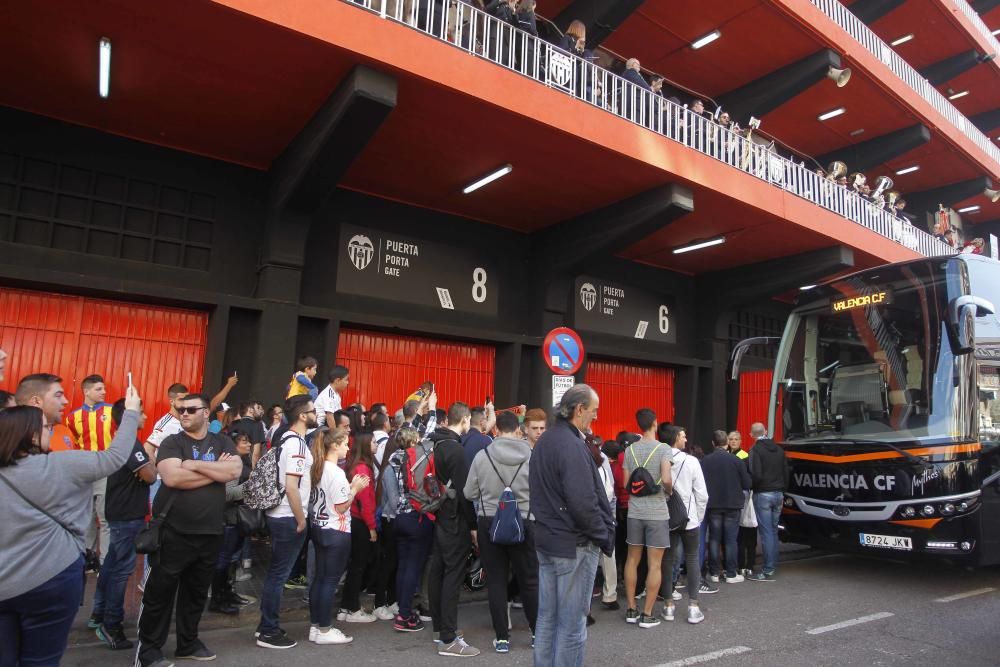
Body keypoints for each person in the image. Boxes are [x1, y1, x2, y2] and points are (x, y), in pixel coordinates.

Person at [0, 387, 141, 666]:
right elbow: (114, 457)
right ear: (30, 435)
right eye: (44, 428)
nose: (50, 431)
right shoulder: (62, 464)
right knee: (41, 660)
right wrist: (132, 413)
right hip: (51, 580)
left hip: (4, 586)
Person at [135, 393, 242, 666]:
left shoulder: (222, 440)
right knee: (160, 594)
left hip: (209, 532)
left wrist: (193, 465)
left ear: (206, 413)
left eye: (191, 409)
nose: (183, 413)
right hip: (173, 531)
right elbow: (172, 477)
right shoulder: (172, 441)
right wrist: (214, 470)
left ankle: (188, 642)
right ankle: (149, 650)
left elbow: (234, 472)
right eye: (180, 409)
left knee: (195, 593)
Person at [530, 384, 614, 667]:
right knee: (572, 625)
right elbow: (583, 502)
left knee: (547, 619)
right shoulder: (571, 445)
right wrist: (602, 535)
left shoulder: (545, 441)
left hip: (548, 539)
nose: (595, 417)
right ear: (579, 410)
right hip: (573, 544)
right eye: (593, 411)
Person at [463, 410, 536, 653]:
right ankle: (537, 633)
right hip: (524, 521)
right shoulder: (532, 456)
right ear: (519, 430)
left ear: (496, 430)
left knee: (496, 581)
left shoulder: (482, 456)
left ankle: (502, 639)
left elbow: (469, 493)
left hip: (489, 521)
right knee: (529, 580)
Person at [91, 398, 154, 649]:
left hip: (121, 514)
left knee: (112, 566)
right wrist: (151, 463)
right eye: (141, 413)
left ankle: (99, 614)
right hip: (126, 516)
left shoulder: (123, 441)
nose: (145, 417)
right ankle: (112, 624)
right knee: (121, 571)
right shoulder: (130, 443)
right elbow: (149, 475)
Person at [257, 394, 316, 649]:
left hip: (281, 514)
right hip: (288, 516)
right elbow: (292, 486)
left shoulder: (288, 440)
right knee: (278, 575)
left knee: (276, 574)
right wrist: (301, 519)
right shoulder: (297, 445)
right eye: (313, 410)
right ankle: (269, 630)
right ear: (303, 416)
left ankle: (265, 626)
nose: (317, 414)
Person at [427, 402, 480, 656]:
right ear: (466, 420)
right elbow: (466, 494)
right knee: (453, 576)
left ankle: (440, 630)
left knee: (438, 571)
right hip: (454, 519)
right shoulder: (456, 450)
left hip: (437, 515)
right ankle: (449, 638)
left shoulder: (435, 443)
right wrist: (473, 526)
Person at [308, 427, 369, 645]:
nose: (347, 448)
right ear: (333, 445)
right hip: (336, 530)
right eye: (344, 444)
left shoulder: (319, 467)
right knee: (329, 581)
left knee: (320, 579)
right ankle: (324, 629)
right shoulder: (334, 471)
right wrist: (355, 488)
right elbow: (342, 507)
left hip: (320, 526)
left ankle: (316, 626)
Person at [622, 408, 672, 629]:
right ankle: (647, 614)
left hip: (635, 512)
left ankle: (631, 608)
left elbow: (626, 484)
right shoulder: (663, 449)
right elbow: (667, 479)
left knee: (632, 560)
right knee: (655, 564)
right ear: (655, 422)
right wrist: (667, 490)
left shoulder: (630, 450)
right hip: (657, 512)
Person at [660, 425, 708, 625]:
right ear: (675, 438)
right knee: (692, 558)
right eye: (683, 436)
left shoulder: (659, 459)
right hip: (689, 519)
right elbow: (702, 494)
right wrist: (697, 516)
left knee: (667, 559)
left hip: (666, 517)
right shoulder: (692, 461)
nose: (685, 439)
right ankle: (693, 606)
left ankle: (669, 605)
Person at [208, 429, 254, 614]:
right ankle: (218, 598)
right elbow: (227, 494)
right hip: (228, 519)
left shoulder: (244, 462)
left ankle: (229, 593)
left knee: (233, 558)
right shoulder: (232, 465)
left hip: (237, 519)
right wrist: (251, 485)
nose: (249, 444)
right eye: (244, 442)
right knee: (223, 559)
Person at [700, 430, 751, 586]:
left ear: (713, 443)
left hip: (713, 505)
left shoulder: (704, 461)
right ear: (727, 443)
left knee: (714, 539)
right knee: (730, 540)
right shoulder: (736, 460)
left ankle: (714, 572)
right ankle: (731, 573)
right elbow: (747, 483)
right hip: (732, 504)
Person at [337, 432, 379, 623]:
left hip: (354, 519)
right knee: (358, 565)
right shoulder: (362, 467)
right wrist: (371, 527)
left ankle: (346, 606)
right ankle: (352, 608)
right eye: (373, 442)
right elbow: (366, 501)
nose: (376, 445)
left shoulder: (354, 465)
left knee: (355, 565)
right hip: (360, 520)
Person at [748, 423, 789, 583]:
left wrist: (753, 487)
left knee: (766, 533)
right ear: (765, 431)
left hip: (763, 493)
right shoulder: (779, 449)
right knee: (773, 531)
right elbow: (786, 471)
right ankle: (772, 565)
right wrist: (783, 489)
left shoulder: (755, 450)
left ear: (751, 434)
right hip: (778, 493)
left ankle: (767, 569)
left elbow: (755, 474)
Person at [732, 430, 755, 576]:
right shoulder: (727, 455)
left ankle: (749, 564)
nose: (733, 441)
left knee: (747, 531)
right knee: (738, 535)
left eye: (736, 439)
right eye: (731, 439)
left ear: (740, 441)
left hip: (744, 498)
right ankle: (740, 565)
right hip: (734, 498)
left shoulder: (745, 456)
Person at [462, 402, 495, 472]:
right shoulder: (486, 440)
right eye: (486, 418)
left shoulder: (460, 438)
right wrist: (491, 409)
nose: (487, 421)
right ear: (481, 422)